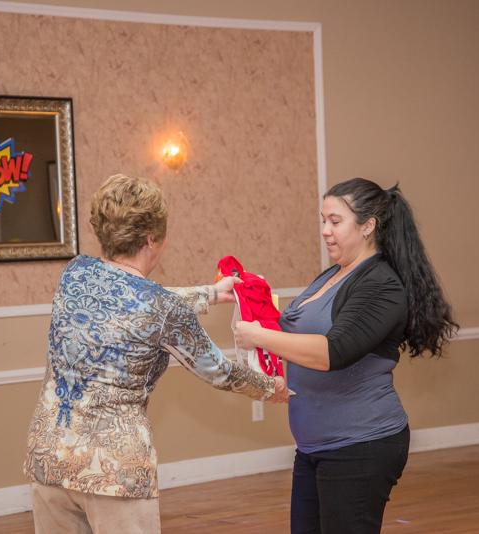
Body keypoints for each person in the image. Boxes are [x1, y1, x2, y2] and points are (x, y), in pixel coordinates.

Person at [24, 174, 288, 534]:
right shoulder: (161, 308)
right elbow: (218, 371)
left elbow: (134, 299)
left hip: (50, 456)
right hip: (114, 471)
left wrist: (210, 293)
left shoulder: (76, 272)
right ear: (151, 238)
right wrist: (271, 388)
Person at [235, 177, 458, 533]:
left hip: (360, 444)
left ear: (368, 226)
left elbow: (333, 351)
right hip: (314, 445)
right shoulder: (334, 274)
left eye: (335, 221)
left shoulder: (381, 285)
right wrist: (250, 297)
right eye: (323, 220)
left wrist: (259, 336)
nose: (325, 230)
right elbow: (295, 332)